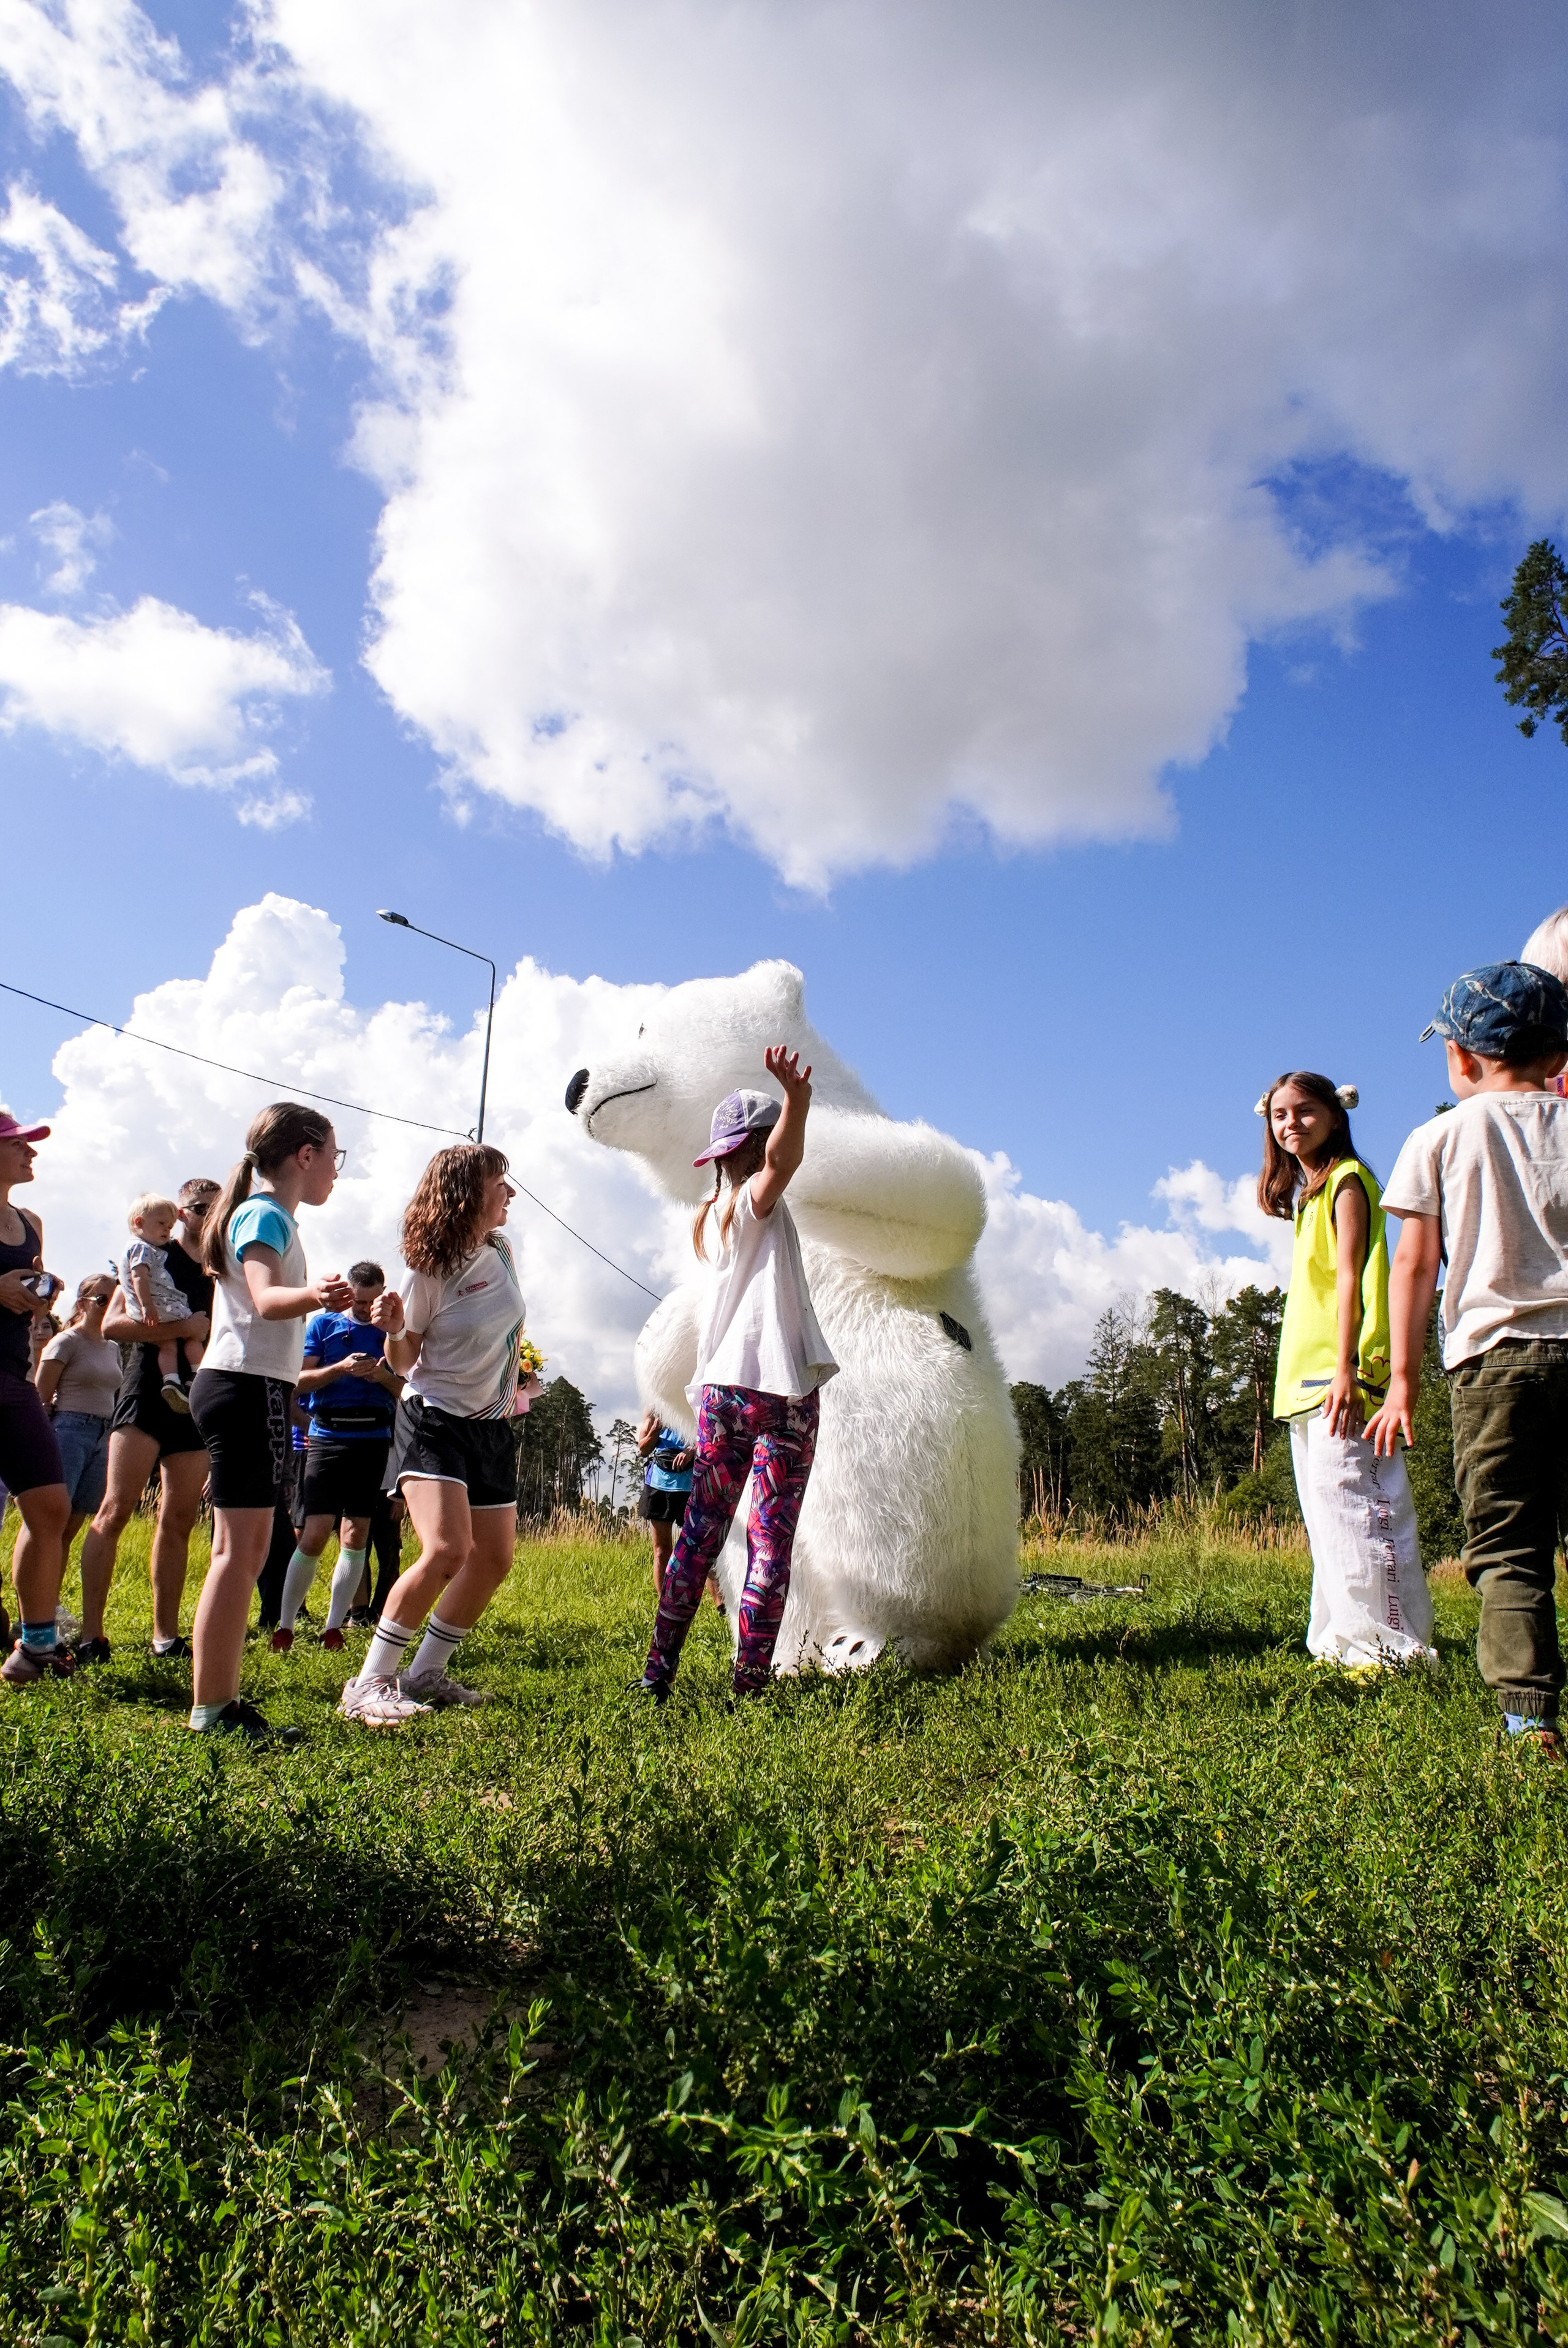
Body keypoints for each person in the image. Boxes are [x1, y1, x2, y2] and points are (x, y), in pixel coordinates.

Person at [1368, 961, 1568, 1751]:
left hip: (1494, 1361)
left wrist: (1404, 1382)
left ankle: (1530, 1719)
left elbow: (1417, 1265)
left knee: (1512, 1543)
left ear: (1460, 1058)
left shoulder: (1442, 1136)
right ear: (1559, 1058)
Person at [636, 1051, 837, 1703]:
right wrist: (798, 1100)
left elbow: (773, 1163)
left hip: (724, 1391)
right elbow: (782, 1162)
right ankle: (748, 1684)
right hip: (785, 1393)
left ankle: (656, 1676)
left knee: (698, 1534)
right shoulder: (755, 1202)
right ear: (753, 1148)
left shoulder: (712, 1214)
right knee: (770, 1543)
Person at [340, 1143, 526, 1727]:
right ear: (470, 1193)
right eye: (502, 1183)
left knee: (493, 1558)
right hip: (435, 1419)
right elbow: (402, 1359)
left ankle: (426, 1673)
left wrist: (516, 1379)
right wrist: (394, 1328)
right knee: (448, 1549)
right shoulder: (428, 1270)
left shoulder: (501, 1249)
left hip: (491, 1425)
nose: (511, 1193)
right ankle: (369, 1683)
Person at [1257, 1072, 1433, 1672]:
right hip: (1304, 1385)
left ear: (1335, 1115)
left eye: (1305, 1111)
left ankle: (1388, 1650)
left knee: (1364, 1512)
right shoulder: (1310, 1193)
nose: (1291, 1124)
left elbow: (1351, 1280)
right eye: (1280, 1114)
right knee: (1330, 1522)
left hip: (1342, 1379)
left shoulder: (1349, 1183)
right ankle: (1340, 1645)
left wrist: (1347, 1369)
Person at [186, 1103, 350, 1742]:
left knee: (241, 1551)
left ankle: (215, 1704)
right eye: (333, 1155)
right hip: (245, 1387)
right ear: (304, 1154)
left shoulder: (266, 1213)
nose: (336, 1170)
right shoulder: (265, 1213)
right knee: (239, 1554)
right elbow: (265, 1298)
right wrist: (320, 1296)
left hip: (246, 1386)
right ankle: (215, 1709)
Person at [81, 1177, 219, 1660]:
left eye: (218, 1206)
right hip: (145, 1389)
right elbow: (114, 1323)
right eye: (200, 1206)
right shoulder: (152, 1254)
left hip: (196, 1397)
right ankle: (91, 1634)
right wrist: (183, 1327)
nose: (208, 1214)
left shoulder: (222, 1268)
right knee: (116, 1508)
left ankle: (166, 1635)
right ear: (182, 1213)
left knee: (179, 1517)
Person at [271, 1260, 402, 1652]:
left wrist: (382, 1377)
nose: (366, 1309)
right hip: (326, 1435)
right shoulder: (323, 1325)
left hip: (374, 1437)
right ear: (349, 1294)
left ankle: (334, 1626)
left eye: (373, 1301)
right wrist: (342, 1369)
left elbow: (407, 1391)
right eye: (360, 1301)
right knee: (313, 1533)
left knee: (356, 1533)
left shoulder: (393, 1332)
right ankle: (286, 1625)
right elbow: (299, 1380)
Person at [0, 1109, 74, 1685]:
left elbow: (34, 1290)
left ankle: (36, 1647)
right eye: (21, 1144)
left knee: (50, 1506)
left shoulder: (30, 1221)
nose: (33, 1153)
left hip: (14, 1381)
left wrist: (42, 1292)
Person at [34, 1277, 120, 1652]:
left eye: (115, 1297)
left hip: (103, 1436)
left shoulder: (115, 1347)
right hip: (69, 1429)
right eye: (102, 1297)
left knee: (70, 1527)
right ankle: (34, 1616)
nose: (109, 1303)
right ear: (83, 1302)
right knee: (49, 1527)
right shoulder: (65, 1341)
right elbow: (40, 1395)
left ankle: (48, 1607)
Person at [121, 1193, 206, 1408]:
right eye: (201, 1208)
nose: (166, 1231)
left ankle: (172, 1381)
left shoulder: (143, 1248)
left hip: (150, 1310)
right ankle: (199, 1374)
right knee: (195, 1330)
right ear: (139, 1222)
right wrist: (148, 1306)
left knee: (168, 1346)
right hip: (158, 1306)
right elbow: (138, 1277)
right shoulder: (144, 1249)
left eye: (169, 1226)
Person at [635, 1408, 696, 1599]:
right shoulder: (653, 1408)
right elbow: (643, 1449)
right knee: (662, 1550)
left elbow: (711, 1435)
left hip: (691, 1483)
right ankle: (665, 1604)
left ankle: (720, 1605)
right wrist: (655, 1430)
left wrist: (692, 1450)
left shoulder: (695, 1397)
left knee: (698, 1547)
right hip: (659, 1485)